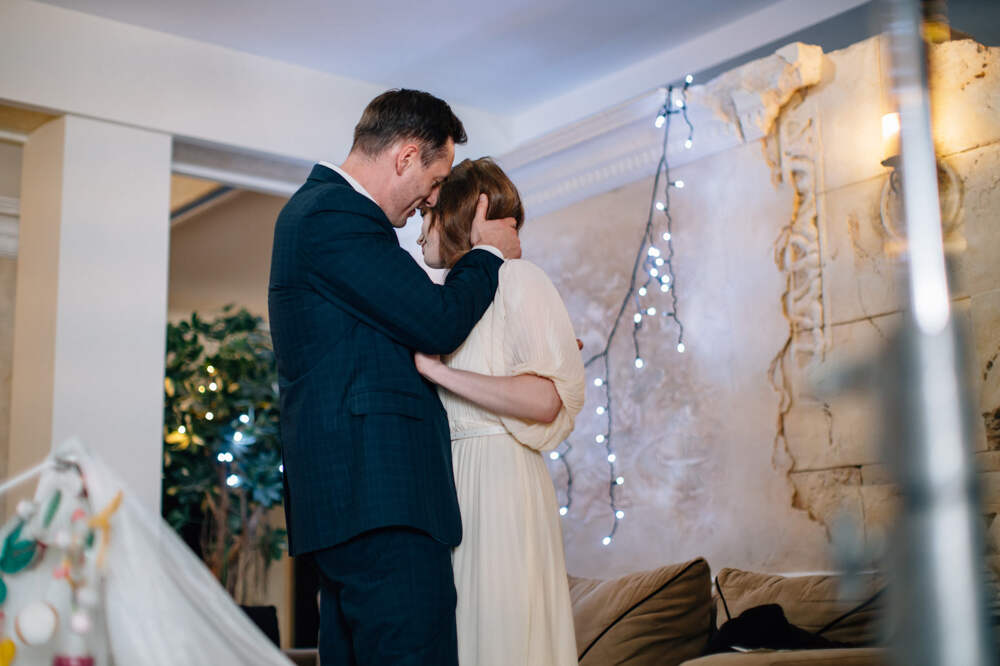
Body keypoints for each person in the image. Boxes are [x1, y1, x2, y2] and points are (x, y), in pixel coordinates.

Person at [267, 90, 521, 666]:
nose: (432, 198)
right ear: (405, 156)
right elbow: (436, 322)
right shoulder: (334, 216)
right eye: (435, 180)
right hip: (381, 500)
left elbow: (398, 330)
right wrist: (487, 254)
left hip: (357, 504)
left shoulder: (324, 217)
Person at [413, 157, 585, 666]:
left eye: (428, 215)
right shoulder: (447, 301)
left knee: (500, 635)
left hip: (500, 484)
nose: (420, 232)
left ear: (463, 212)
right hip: (453, 489)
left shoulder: (519, 279)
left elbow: (545, 400)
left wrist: (439, 372)